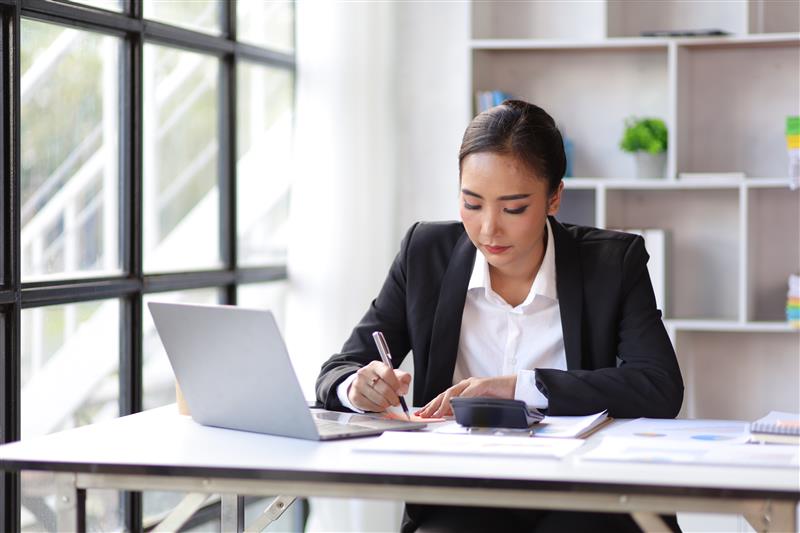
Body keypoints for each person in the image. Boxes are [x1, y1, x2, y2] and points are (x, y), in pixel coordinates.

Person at [316, 100, 684, 532]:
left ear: (554, 198)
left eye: (513, 209)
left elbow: (659, 386)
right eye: (472, 204)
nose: (489, 229)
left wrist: (518, 387)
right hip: (461, 496)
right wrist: (358, 387)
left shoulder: (612, 262)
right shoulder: (425, 255)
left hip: (586, 493)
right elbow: (337, 372)